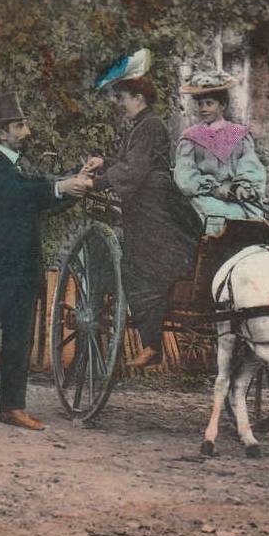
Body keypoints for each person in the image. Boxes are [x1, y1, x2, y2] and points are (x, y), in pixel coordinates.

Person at [0, 93, 90, 430]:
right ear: (1, 134)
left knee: (19, 338)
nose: (26, 130)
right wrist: (60, 187)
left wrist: (73, 185)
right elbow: (17, 196)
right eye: (19, 125)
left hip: (24, 267)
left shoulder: (22, 168)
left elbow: (42, 198)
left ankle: (12, 407)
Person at [83, 56, 201, 369]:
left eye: (122, 98)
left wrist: (96, 183)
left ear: (138, 98)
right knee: (143, 264)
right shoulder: (141, 127)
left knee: (141, 268)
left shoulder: (151, 125)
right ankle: (151, 342)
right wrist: (105, 164)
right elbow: (130, 162)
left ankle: (152, 345)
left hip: (154, 206)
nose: (119, 104)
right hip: (147, 204)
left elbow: (134, 170)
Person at [173, 69, 267, 235]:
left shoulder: (239, 135)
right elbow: (185, 176)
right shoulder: (191, 138)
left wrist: (243, 186)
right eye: (200, 104)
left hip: (236, 198)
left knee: (255, 219)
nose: (203, 109)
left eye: (209, 103)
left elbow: (250, 166)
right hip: (205, 197)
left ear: (222, 105)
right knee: (218, 219)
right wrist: (213, 188)